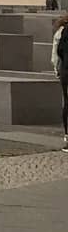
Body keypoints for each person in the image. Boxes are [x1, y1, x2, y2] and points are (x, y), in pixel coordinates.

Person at [51, 14, 68, 150]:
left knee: (67, 103)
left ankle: (67, 136)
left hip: (66, 71)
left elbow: (56, 54)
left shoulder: (61, 31)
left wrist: (57, 70)